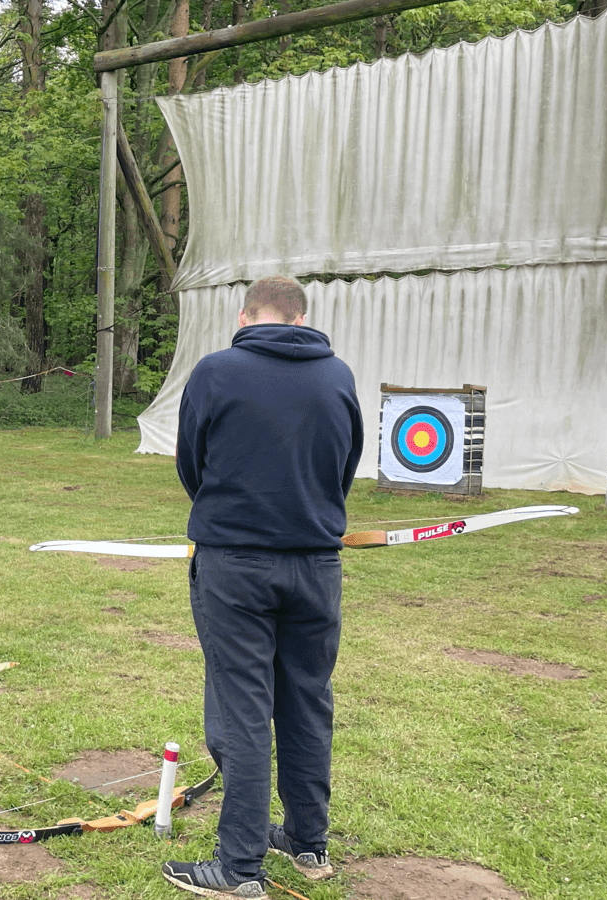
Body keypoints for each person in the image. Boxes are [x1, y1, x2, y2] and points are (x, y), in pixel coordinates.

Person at [163, 276, 363, 898]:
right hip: (316, 565)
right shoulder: (339, 376)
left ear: (246, 316)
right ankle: (308, 843)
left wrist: (231, 517)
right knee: (307, 703)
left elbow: (190, 463)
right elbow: (344, 467)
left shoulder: (218, 369)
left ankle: (240, 867)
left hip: (236, 565)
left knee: (243, 712)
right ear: (301, 318)